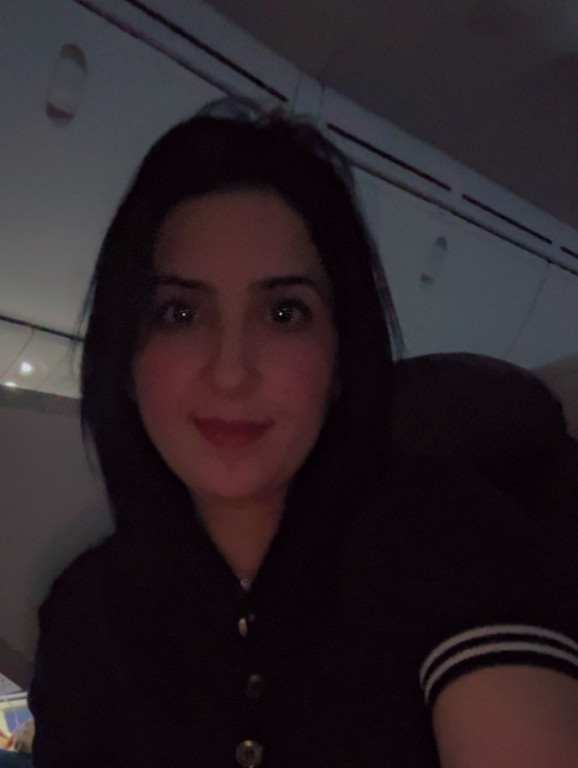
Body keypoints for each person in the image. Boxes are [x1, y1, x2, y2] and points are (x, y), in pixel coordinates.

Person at [28, 97, 578, 767]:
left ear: (341, 358)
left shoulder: (448, 536)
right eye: (179, 314)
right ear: (125, 358)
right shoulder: (87, 617)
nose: (231, 373)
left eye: (284, 313)